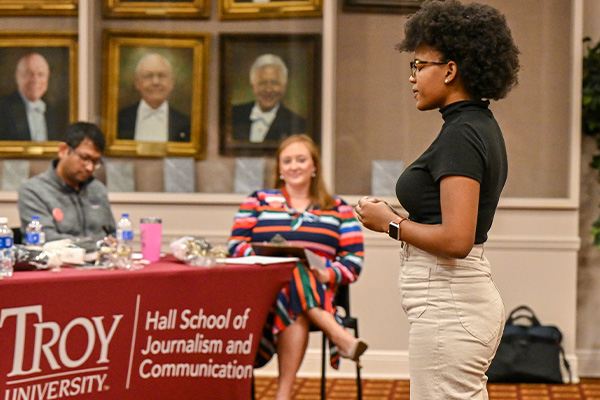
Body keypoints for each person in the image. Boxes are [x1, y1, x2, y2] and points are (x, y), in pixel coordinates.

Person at [354, 1, 520, 399]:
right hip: (457, 303)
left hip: (451, 303)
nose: (411, 77)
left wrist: (389, 223)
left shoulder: (462, 134)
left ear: (449, 70)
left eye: (418, 65)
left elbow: (456, 240)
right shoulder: (474, 125)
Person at [227, 134, 367, 400]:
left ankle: (283, 395)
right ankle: (339, 336)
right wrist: (266, 260)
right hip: (263, 291)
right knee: (288, 269)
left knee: (294, 286)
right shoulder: (257, 201)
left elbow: (354, 260)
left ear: (314, 166)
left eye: (301, 160)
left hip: (318, 287)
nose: (294, 166)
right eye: (287, 161)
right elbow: (235, 246)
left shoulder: (338, 208)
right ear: (279, 168)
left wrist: (327, 273)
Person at [18, 122, 116, 242]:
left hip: (101, 260)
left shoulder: (97, 189)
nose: (90, 168)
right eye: (85, 158)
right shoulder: (33, 191)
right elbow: (47, 240)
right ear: (63, 150)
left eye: (95, 161)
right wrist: (98, 244)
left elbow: (113, 234)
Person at [232, 54, 306, 143]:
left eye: (275, 83)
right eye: (262, 83)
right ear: (252, 86)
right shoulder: (233, 115)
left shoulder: (298, 125)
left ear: (284, 87)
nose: (268, 90)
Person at [118, 53, 190, 142]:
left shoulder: (186, 124)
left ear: (171, 82)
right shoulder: (120, 120)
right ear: (137, 83)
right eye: (148, 76)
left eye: (161, 76)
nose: (155, 82)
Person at [0, 53, 59, 141]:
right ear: (17, 77)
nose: (35, 80)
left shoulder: (52, 111)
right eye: (29, 74)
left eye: (41, 74)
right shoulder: (3, 108)